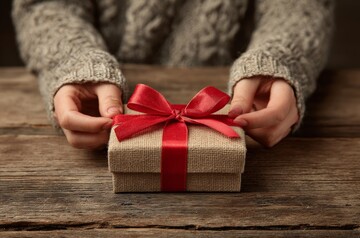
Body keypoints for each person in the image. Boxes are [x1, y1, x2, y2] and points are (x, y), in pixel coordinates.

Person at [12, 0, 334, 149]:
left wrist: (280, 57)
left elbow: (299, 6)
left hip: (237, 114)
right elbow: (44, 5)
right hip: (105, 112)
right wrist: (75, 61)